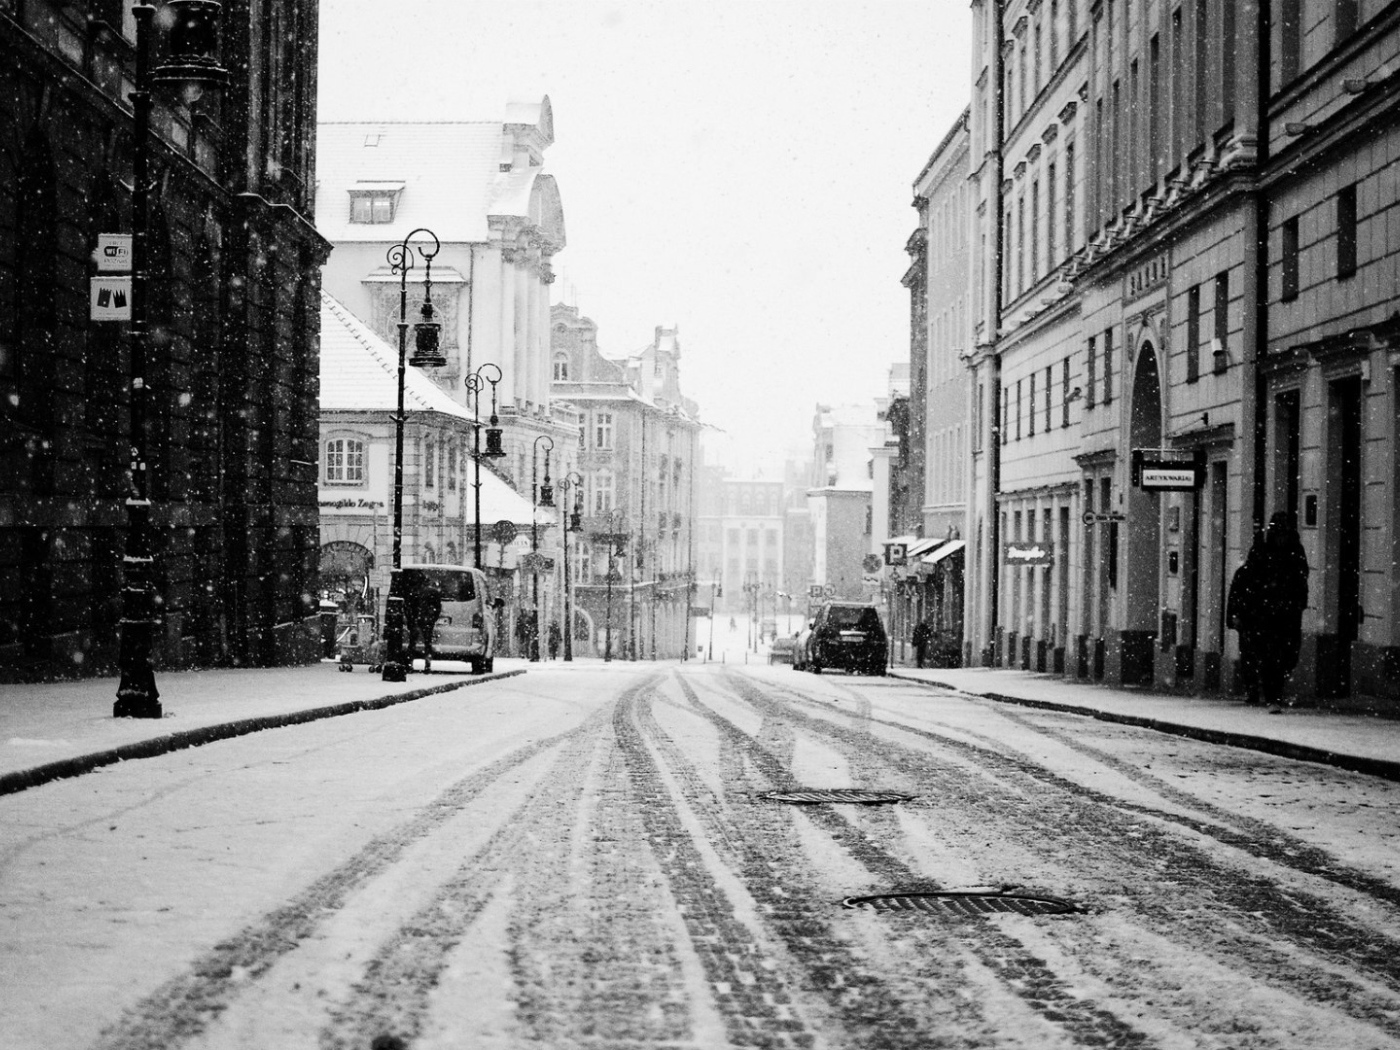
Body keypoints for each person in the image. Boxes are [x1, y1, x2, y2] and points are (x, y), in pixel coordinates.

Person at [1227, 513, 1310, 705]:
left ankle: (1269, 691)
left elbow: (1300, 579)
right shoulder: (1268, 552)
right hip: (1268, 614)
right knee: (1269, 656)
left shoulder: (1292, 552)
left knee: (1280, 655)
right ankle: (1271, 693)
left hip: (1280, 613)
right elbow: (1249, 581)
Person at [408, 581, 442, 673]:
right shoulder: (433, 593)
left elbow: (410, 606)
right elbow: (437, 607)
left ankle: (410, 663)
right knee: (427, 642)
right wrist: (432, 618)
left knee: (413, 642)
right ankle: (427, 663)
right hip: (427, 620)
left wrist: (412, 619)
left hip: (417, 619)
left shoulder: (415, 592)